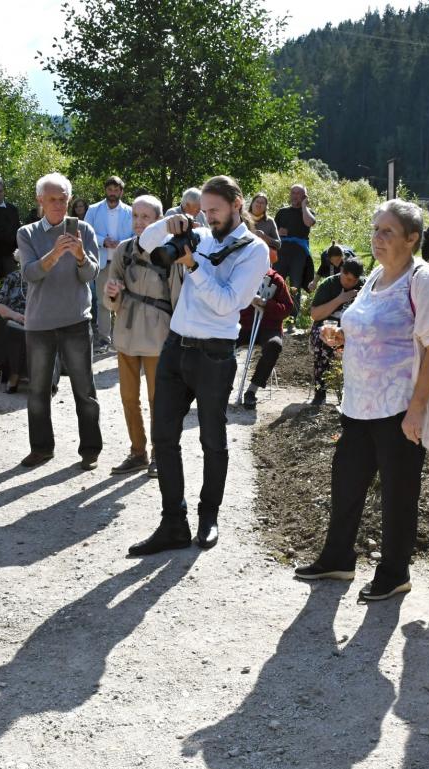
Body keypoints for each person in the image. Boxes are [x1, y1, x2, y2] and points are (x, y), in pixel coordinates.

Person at [294, 199, 429, 602]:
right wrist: (342, 336)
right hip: (359, 406)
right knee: (346, 483)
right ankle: (337, 559)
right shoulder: (376, 277)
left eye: (387, 232)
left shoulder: (423, 281)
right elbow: (372, 328)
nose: (377, 238)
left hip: (399, 408)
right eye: (375, 229)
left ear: (412, 238)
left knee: (398, 494)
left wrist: (417, 409)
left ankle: (395, 573)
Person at [128, 175, 271, 555]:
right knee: (163, 437)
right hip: (175, 346)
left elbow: (228, 303)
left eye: (215, 210)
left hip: (214, 354)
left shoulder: (254, 250)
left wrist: (193, 267)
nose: (208, 217)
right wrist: (169, 223)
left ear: (237, 204)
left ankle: (209, 517)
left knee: (212, 440)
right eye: (204, 211)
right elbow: (144, 244)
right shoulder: (202, 235)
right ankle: (173, 523)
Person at [15, 173, 102, 470]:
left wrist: (80, 256)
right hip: (39, 323)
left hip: (76, 320)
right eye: (52, 199)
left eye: (63, 199)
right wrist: (55, 253)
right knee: (38, 391)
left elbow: (90, 275)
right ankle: (41, 448)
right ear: (40, 200)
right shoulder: (27, 233)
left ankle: (90, 450)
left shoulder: (84, 230)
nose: (58, 204)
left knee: (85, 391)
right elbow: (30, 273)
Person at [101, 195, 184, 477]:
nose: (139, 222)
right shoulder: (124, 250)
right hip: (126, 331)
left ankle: (160, 453)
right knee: (128, 397)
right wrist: (112, 293)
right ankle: (138, 452)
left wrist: (178, 339)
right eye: (135, 216)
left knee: (158, 399)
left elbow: (178, 298)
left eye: (146, 217)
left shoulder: (170, 253)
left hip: (158, 335)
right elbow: (110, 298)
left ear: (159, 221)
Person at [308, 257, 364, 407]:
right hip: (326, 327)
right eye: (347, 279)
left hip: (351, 329)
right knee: (325, 341)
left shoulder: (364, 287)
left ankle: (354, 392)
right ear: (341, 271)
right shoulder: (329, 284)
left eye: (354, 280)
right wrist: (340, 299)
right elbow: (315, 315)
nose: (350, 283)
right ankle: (320, 392)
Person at [85, 176, 134, 348]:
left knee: (124, 300)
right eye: (110, 189)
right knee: (103, 302)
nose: (112, 193)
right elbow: (86, 232)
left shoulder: (130, 211)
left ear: (121, 192)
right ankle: (105, 338)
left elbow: (137, 234)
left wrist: (122, 244)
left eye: (116, 190)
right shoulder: (93, 209)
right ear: (105, 190)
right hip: (102, 261)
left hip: (123, 263)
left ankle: (123, 336)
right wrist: (102, 241)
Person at [237, 267, 292, 410]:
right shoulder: (240, 273)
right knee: (222, 341)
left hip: (269, 327)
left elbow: (287, 308)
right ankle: (223, 386)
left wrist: (266, 303)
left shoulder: (276, 279)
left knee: (274, 345)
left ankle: (252, 390)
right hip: (243, 325)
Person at [273, 183, 317, 301]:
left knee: (295, 285)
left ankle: (294, 311)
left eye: (298, 193)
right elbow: (273, 232)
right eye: (293, 193)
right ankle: (273, 308)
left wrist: (304, 206)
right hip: (282, 251)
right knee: (275, 282)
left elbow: (309, 223)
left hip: (299, 253)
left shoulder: (308, 212)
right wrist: (279, 232)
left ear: (304, 196)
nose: (295, 195)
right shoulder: (282, 212)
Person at [0, 255, 30, 394]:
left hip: (40, 320)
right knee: (14, 330)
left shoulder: (47, 278)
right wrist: (15, 315)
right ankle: (14, 374)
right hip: (15, 319)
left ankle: (44, 380)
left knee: (46, 332)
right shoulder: (13, 278)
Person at [247, 192, 280, 262]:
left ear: (266, 206)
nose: (259, 204)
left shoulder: (269, 221)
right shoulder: (243, 218)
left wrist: (264, 237)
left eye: (262, 203)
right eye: (257, 201)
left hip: (262, 259)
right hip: (244, 257)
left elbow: (278, 244)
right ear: (252, 203)